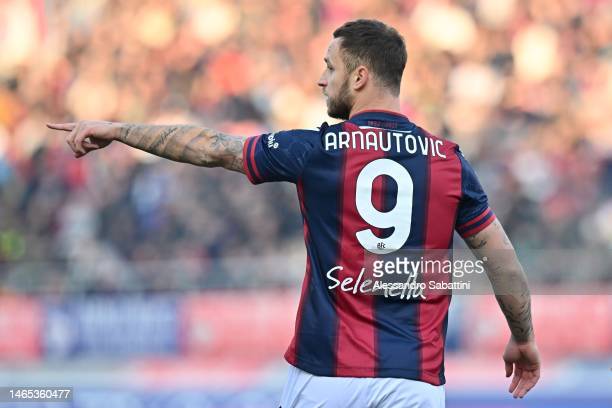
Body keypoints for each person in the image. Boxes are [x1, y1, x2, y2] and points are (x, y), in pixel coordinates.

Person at [48, 19, 540, 408]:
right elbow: (501, 259)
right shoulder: (448, 161)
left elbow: (212, 147)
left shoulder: (317, 150)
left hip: (324, 378)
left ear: (360, 77)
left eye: (330, 67)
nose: (322, 79)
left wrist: (119, 130)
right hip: (413, 384)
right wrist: (523, 337)